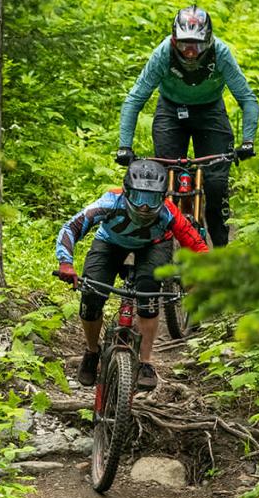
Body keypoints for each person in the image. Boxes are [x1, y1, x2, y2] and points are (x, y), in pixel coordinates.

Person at [56, 159, 209, 391]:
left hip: (154, 246)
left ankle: (146, 362)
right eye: (138, 198)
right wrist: (66, 263)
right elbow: (72, 227)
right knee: (92, 294)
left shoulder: (169, 212)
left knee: (148, 291)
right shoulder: (109, 202)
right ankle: (91, 351)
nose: (145, 207)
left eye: (152, 199)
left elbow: (198, 246)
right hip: (110, 244)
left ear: (163, 197)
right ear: (126, 193)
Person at [115, 5, 258, 247]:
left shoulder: (220, 53)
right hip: (171, 111)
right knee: (161, 180)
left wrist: (248, 141)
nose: (190, 53)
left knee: (215, 185)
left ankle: (221, 249)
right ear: (174, 41)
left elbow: (247, 98)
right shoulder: (164, 53)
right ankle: (157, 246)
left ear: (209, 41)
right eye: (184, 45)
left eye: (198, 45)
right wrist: (124, 146)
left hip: (211, 112)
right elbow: (135, 98)